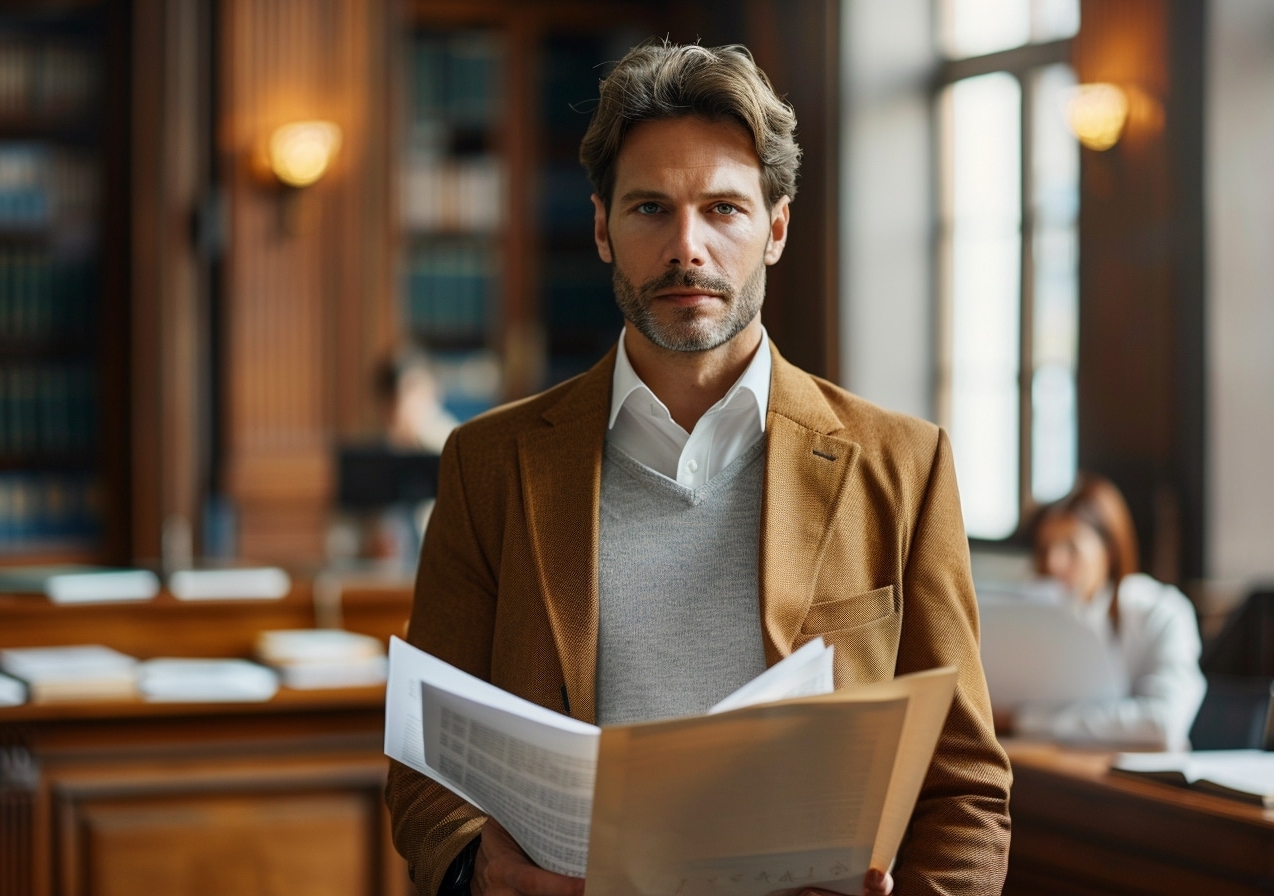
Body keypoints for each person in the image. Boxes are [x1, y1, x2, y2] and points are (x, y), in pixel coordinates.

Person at [386, 39, 1011, 896]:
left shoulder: (901, 464)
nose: (689, 247)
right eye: (651, 209)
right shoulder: (488, 464)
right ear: (603, 227)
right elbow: (424, 761)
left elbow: (967, 785)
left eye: (723, 209)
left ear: (777, 227)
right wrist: (477, 873)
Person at [996, 473, 1206, 750]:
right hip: (1053, 767)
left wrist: (1023, 720)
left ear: (1110, 550)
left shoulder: (1163, 612)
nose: (1054, 563)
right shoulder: (1035, 616)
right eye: (1046, 548)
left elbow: (1162, 722)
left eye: (1071, 547)